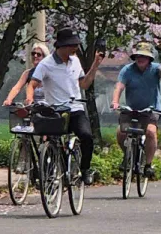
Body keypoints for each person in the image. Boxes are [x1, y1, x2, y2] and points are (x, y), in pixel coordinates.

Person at [30, 26, 105, 184]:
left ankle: (85, 169)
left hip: (75, 108)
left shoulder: (75, 61)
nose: (75, 48)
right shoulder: (46, 64)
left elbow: (84, 84)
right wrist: (29, 100)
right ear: (61, 46)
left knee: (86, 136)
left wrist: (95, 65)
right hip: (55, 110)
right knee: (51, 141)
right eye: (72, 45)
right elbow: (32, 84)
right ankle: (50, 174)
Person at [112, 41, 161, 176]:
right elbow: (119, 86)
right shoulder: (127, 70)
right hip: (132, 110)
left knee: (150, 132)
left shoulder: (155, 68)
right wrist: (115, 101)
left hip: (151, 110)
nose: (141, 59)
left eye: (144, 56)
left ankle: (148, 164)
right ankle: (128, 156)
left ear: (149, 58)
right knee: (121, 132)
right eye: (138, 56)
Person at [2, 40, 48, 112]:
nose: (35, 56)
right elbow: (17, 88)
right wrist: (9, 99)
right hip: (33, 108)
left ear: (44, 57)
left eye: (39, 54)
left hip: (49, 107)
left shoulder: (50, 72)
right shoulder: (28, 73)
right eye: (33, 53)